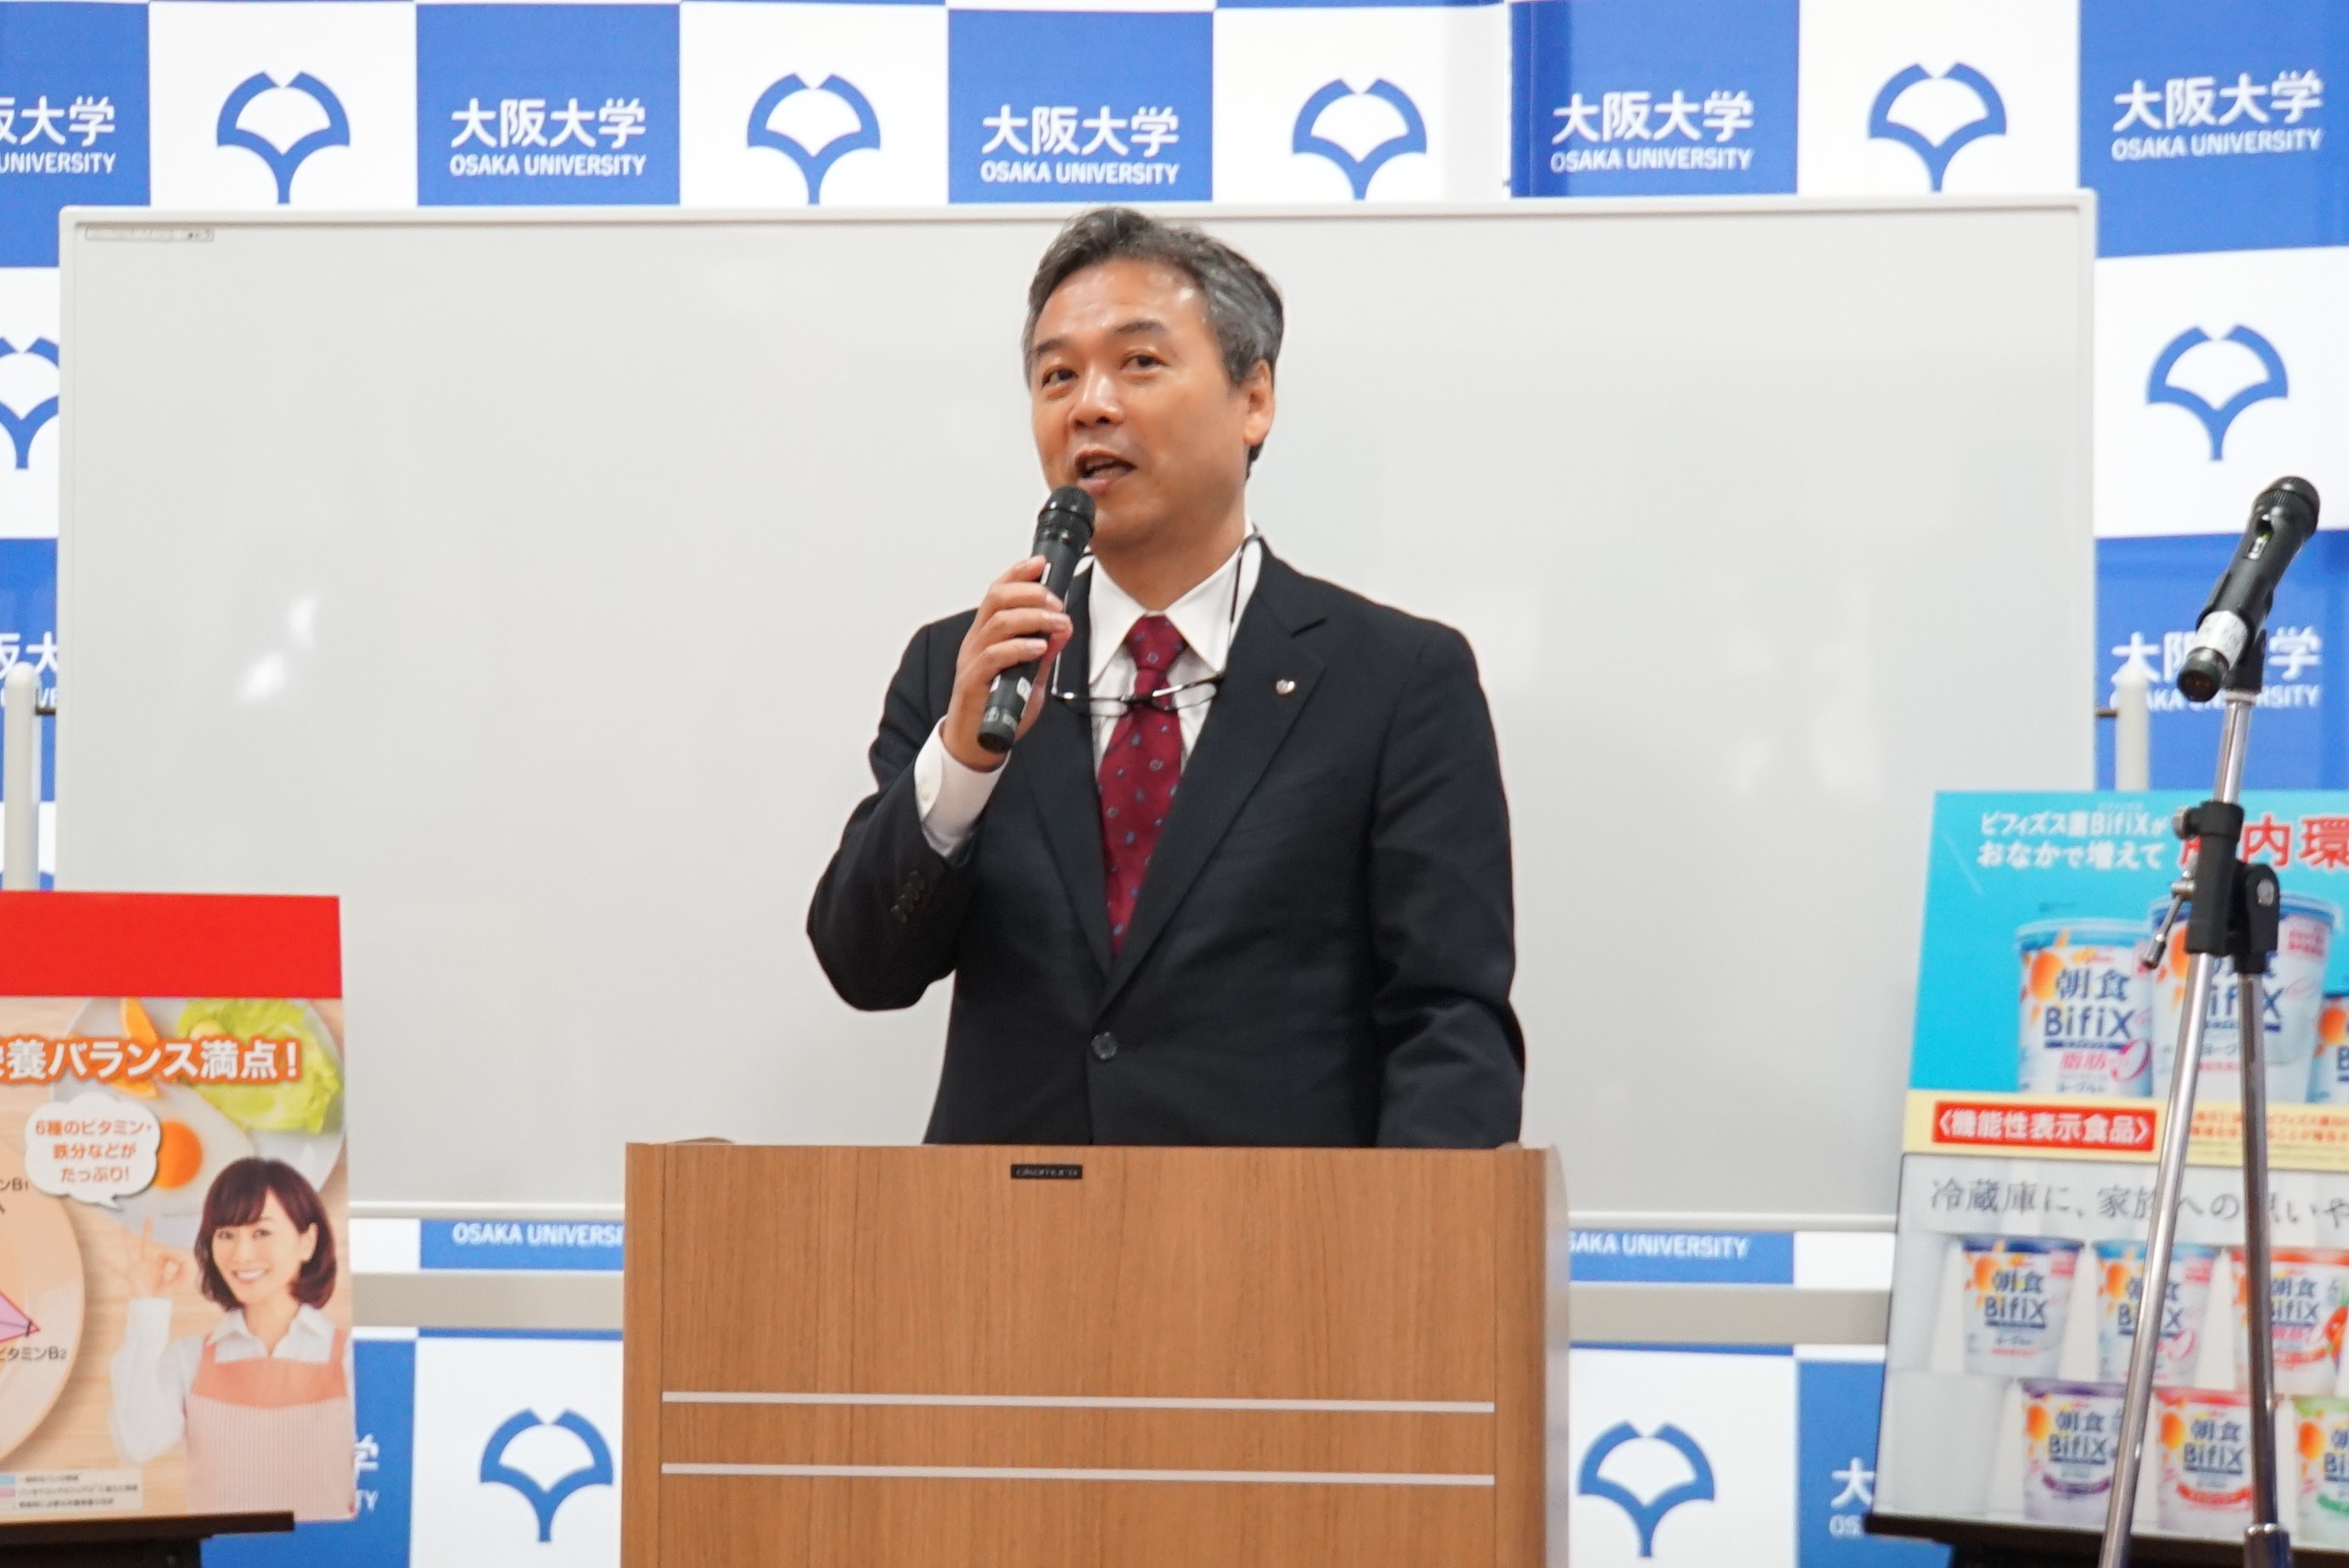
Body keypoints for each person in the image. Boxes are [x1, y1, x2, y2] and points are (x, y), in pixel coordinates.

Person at [809, 206, 1522, 1148]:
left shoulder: (1394, 681)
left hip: (1280, 1230)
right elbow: (865, 967)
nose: (1089, 406)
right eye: (1057, 376)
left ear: (1253, 399)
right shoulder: (965, 667)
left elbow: (1447, 1021)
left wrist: (1408, 1237)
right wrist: (963, 765)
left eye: (1138, 362)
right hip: (1008, 1230)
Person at [109, 1157, 355, 1520]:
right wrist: (148, 1307)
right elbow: (137, 1444)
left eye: (261, 1233)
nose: (241, 1255)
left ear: (307, 1242)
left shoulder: (352, 1357)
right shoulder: (190, 1358)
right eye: (226, 1235)